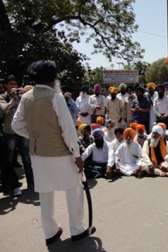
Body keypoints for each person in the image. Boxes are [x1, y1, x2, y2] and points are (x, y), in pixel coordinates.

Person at [12, 60, 94, 244]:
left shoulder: (26, 98)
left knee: (45, 195)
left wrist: (34, 136)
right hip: (61, 154)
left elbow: (16, 125)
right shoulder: (55, 97)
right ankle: (77, 229)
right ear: (52, 79)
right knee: (74, 189)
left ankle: (50, 233)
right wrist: (77, 155)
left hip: (37, 155)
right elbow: (68, 129)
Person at [0, 75, 32, 195]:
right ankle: (10, 187)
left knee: (27, 159)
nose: (14, 86)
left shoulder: (22, 97)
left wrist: (25, 94)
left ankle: (32, 185)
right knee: (8, 161)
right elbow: (5, 109)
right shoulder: (2, 97)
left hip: (22, 132)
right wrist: (13, 98)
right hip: (9, 133)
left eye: (15, 84)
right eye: (11, 84)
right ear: (6, 86)